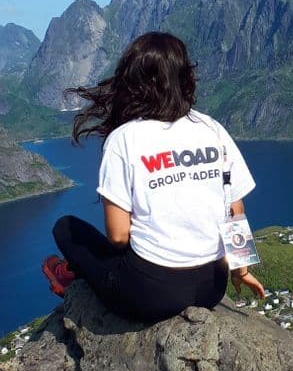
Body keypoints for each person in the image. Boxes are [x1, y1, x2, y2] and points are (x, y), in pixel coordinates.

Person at [41, 31, 265, 322]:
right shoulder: (212, 129)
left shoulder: (124, 138)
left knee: (66, 227)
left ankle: (72, 279)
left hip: (150, 294)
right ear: (184, 79)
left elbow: (119, 236)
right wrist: (241, 270)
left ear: (132, 84)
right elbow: (235, 209)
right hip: (212, 286)